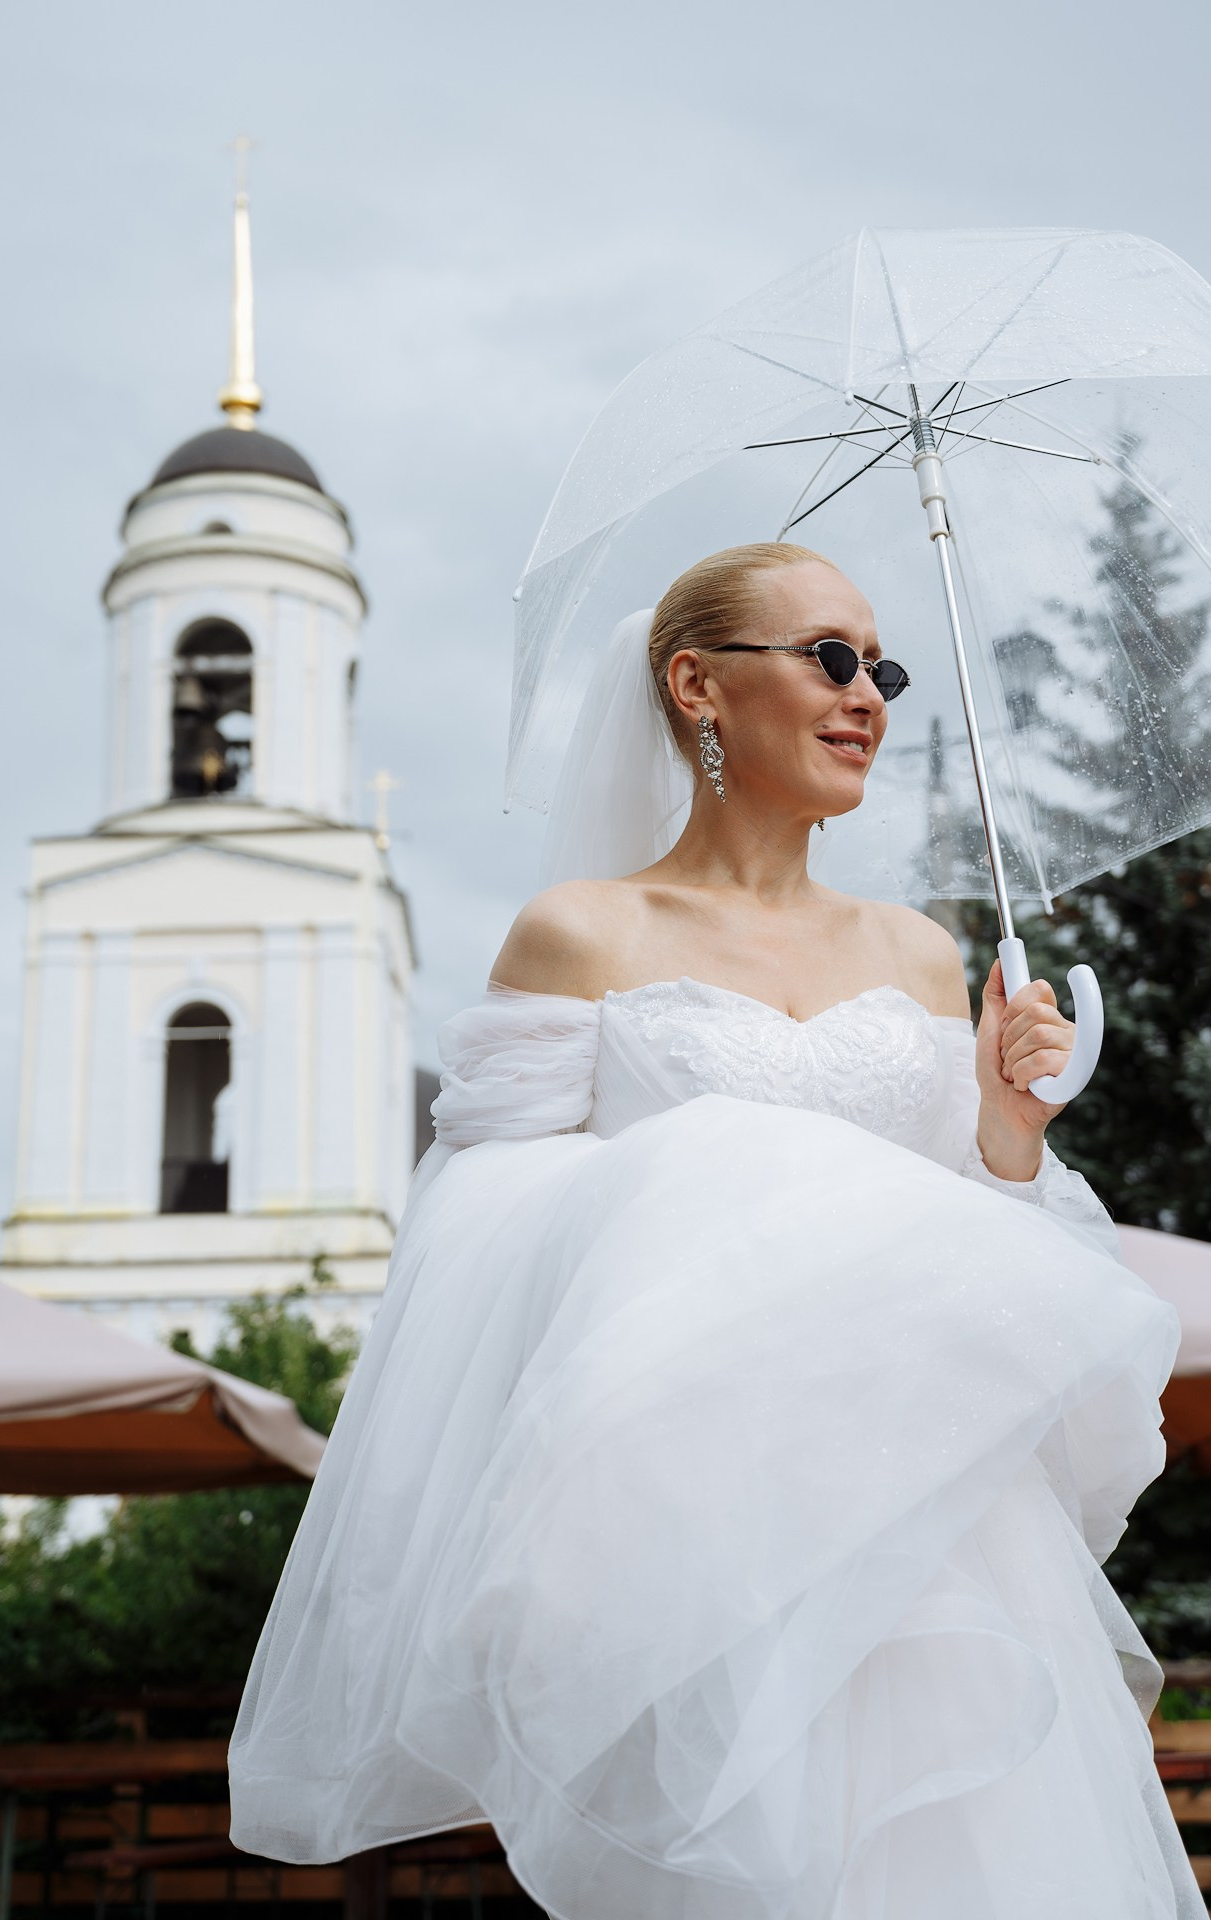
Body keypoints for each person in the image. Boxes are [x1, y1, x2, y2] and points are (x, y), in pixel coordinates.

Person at [230, 544, 1200, 1919]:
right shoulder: (582, 935)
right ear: (695, 684)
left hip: (929, 1532)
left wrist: (1006, 1130)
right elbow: (467, 1244)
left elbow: (987, 1270)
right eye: (829, 658)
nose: (867, 694)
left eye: (881, 667)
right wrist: (711, 1176)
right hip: (689, 1555)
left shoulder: (922, 956)